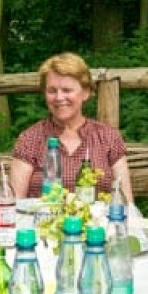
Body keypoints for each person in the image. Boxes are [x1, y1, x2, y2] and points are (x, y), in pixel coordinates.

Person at [9, 52, 134, 200]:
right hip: (43, 221)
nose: (59, 97)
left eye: (67, 90)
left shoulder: (108, 137)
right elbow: (14, 204)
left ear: (85, 93)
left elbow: (126, 201)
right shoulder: (31, 138)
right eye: (52, 91)